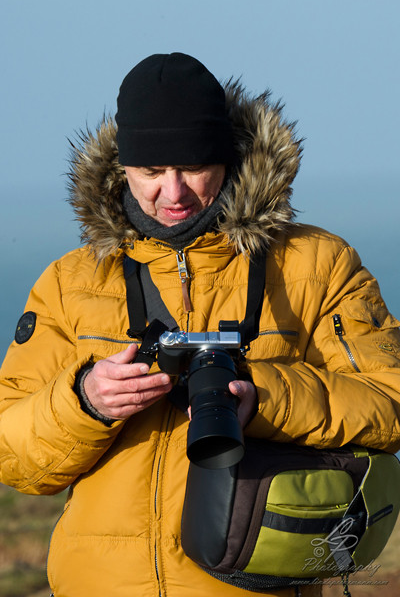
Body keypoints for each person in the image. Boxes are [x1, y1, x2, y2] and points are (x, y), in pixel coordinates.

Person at [1, 52, 400, 597]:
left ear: (229, 157)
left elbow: (390, 404)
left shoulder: (319, 264)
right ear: (123, 167)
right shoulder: (70, 282)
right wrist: (85, 401)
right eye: (150, 171)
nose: (173, 192)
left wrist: (264, 399)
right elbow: (14, 458)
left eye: (192, 166)